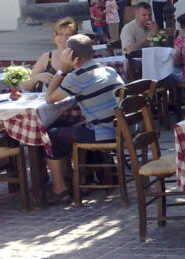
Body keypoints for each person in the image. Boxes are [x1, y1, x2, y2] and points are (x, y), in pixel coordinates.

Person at [43, 34, 125, 203]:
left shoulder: (77, 77)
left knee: (49, 136)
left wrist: (62, 70)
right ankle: (82, 179)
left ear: (71, 55)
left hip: (104, 133)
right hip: (123, 128)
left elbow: (49, 98)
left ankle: (59, 189)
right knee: (71, 125)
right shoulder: (107, 69)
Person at [21, 18, 78, 92]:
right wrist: (36, 78)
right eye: (60, 34)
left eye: (68, 35)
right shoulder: (47, 57)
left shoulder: (80, 56)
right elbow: (25, 87)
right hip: (52, 101)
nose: (64, 38)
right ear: (54, 36)